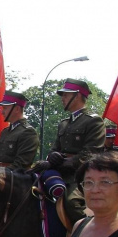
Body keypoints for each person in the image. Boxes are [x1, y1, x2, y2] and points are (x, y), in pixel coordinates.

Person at [41, 78, 106, 224]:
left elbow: (90, 155)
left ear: (77, 96)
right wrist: (52, 156)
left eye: (65, 95)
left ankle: (90, 236)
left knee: (73, 203)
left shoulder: (93, 121)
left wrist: (62, 162)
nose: (62, 98)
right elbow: (54, 149)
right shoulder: (64, 123)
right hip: (59, 173)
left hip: (80, 177)